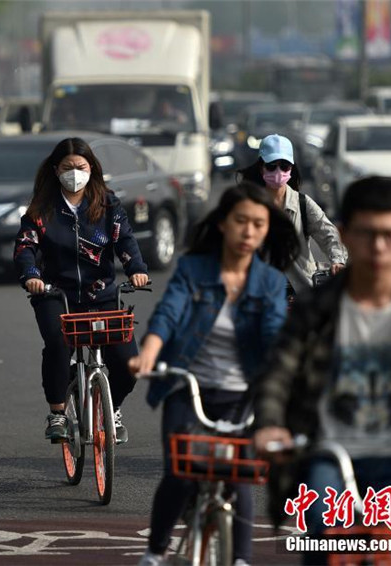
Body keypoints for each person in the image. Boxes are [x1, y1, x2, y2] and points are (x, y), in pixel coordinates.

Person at [253, 176, 391, 565]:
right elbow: (280, 373)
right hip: (330, 454)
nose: (377, 246)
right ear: (344, 235)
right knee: (322, 527)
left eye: (388, 235)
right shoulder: (314, 310)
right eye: (366, 234)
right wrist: (271, 424)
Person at [129, 183, 299, 566]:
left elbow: (274, 332)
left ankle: (239, 559)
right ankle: (155, 551)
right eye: (241, 221)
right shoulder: (193, 268)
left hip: (243, 395)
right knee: (181, 472)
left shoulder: (270, 282)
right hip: (188, 388)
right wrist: (150, 355)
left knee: (238, 475)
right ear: (223, 223)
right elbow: (168, 315)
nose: (249, 232)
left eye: (259, 224)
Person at [14, 137, 150, 443]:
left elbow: (125, 239)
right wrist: (32, 275)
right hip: (55, 295)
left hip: (103, 296)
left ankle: (112, 407)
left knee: (128, 363)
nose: (74, 173)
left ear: (92, 169)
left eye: (81, 167)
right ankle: (58, 412)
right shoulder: (41, 209)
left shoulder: (108, 203)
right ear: (55, 170)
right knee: (58, 345)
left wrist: (137, 270)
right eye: (67, 167)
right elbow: (25, 247)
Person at [237, 134, 347, 297]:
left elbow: (329, 234)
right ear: (262, 167)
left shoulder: (302, 203)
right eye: (272, 166)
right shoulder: (249, 205)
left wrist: (337, 260)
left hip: (301, 293)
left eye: (284, 166)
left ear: (292, 168)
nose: (278, 172)